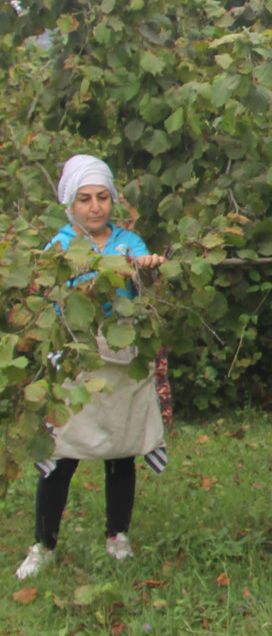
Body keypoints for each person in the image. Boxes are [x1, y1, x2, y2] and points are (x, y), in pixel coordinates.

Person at [14, 154, 168, 580]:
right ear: (70, 202)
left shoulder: (127, 242)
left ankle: (117, 535)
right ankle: (43, 544)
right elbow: (49, 292)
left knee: (120, 451)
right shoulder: (59, 245)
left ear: (113, 200)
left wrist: (148, 271)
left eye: (103, 197)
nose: (95, 206)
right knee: (63, 452)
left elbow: (144, 281)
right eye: (85, 198)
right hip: (76, 359)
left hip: (121, 360)